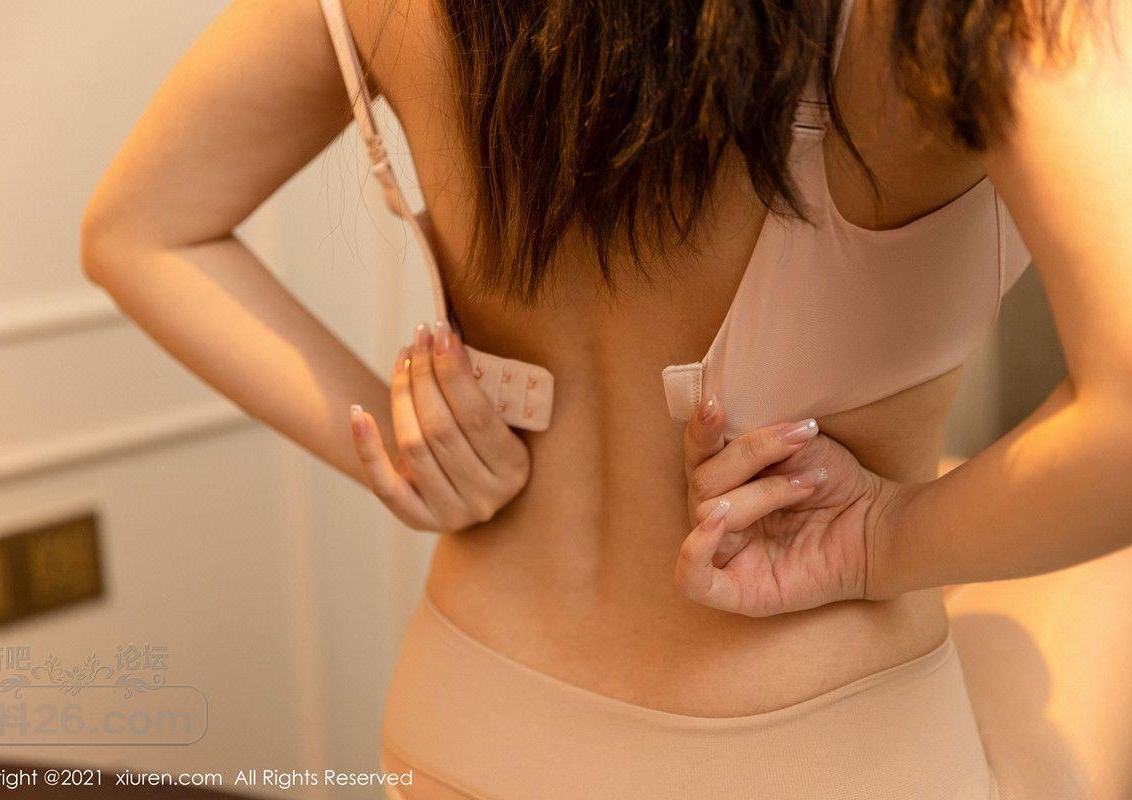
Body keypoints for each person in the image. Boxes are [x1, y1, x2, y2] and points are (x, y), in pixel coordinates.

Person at [80, 0, 1132, 796]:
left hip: (465, 728)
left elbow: (138, 230)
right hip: (820, 751)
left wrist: (404, 446)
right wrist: (879, 541)